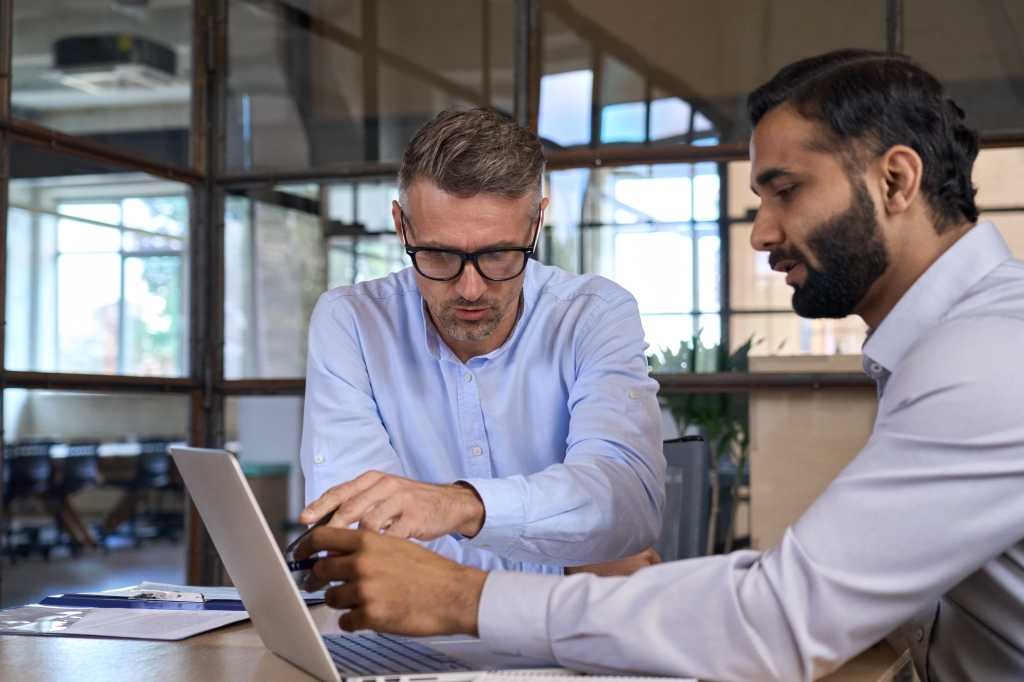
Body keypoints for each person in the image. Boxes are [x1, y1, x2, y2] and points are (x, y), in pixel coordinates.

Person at [295, 50, 1024, 681]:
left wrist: (462, 593)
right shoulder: (952, 346)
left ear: (896, 182)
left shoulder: (988, 359)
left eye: (787, 191)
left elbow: (779, 614)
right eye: (759, 198)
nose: (761, 233)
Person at [298, 107, 665, 577]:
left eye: (497, 254)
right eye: (438, 254)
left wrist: (459, 507)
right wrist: (565, 569)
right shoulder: (350, 321)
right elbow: (355, 542)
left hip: (556, 643)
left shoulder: (594, 315)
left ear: (535, 225)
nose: (470, 288)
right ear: (401, 226)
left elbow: (623, 504)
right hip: (417, 639)